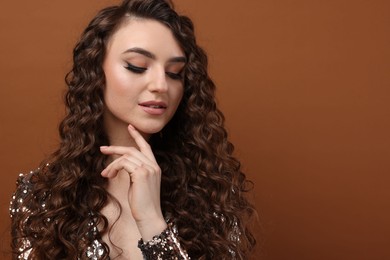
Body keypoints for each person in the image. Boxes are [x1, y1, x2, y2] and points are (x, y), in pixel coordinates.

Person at [9, 0, 256, 259]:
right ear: (96, 71)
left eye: (175, 73)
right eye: (137, 66)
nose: (161, 84)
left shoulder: (211, 196)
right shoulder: (42, 196)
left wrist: (152, 221)